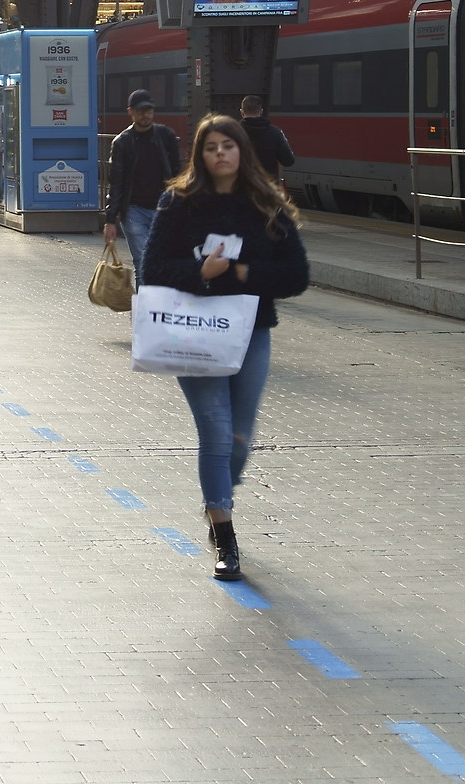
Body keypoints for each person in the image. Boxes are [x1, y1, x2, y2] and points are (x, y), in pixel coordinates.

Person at [142, 113, 311, 583]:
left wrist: (240, 274)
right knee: (217, 435)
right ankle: (226, 536)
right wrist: (200, 275)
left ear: (242, 152)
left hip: (251, 333)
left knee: (238, 438)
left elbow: (296, 275)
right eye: (211, 146)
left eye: (228, 146)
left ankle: (217, 492)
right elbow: (152, 270)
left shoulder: (266, 204)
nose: (220, 153)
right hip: (194, 333)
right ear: (200, 154)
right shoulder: (178, 203)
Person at [102, 89, 182, 275]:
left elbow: (177, 175)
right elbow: (116, 183)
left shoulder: (166, 136)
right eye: (141, 111)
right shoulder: (122, 142)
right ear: (130, 112)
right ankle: (146, 304)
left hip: (163, 209)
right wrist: (110, 220)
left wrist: (180, 207)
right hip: (133, 211)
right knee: (143, 262)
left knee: (162, 259)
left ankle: (158, 301)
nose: (146, 115)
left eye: (149, 110)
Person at [239, 95, 297, 179]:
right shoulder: (276, 132)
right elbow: (288, 161)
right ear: (261, 111)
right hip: (268, 186)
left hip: (242, 186)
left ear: (242, 112)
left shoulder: (233, 132)